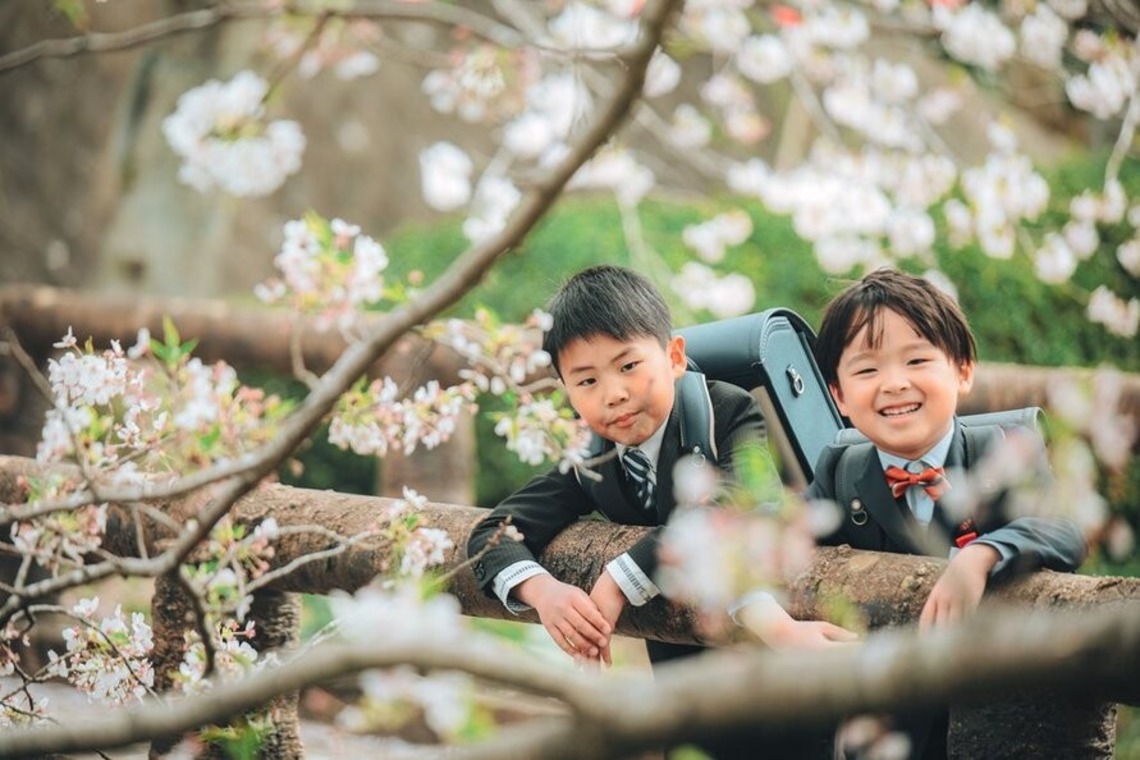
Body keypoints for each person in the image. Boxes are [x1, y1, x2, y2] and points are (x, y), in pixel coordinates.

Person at [793, 266, 1086, 759]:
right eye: (866, 370)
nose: (893, 384)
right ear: (839, 396)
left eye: (917, 360)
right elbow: (772, 546)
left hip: (993, 718)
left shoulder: (1005, 449)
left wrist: (983, 555)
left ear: (962, 370)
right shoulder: (840, 470)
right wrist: (779, 628)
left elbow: (1065, 532)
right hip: (881, 725)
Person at [468, 263, 777, 667]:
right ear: (568, 395)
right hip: (678, 676)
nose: (613, 394)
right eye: (587, 381)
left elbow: (732, 504)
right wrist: (544, 592)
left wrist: (618, 579)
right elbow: (493, 533)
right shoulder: (591, 457)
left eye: (628, 366)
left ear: (675, 357)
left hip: (769, 662)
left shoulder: (728, 411)